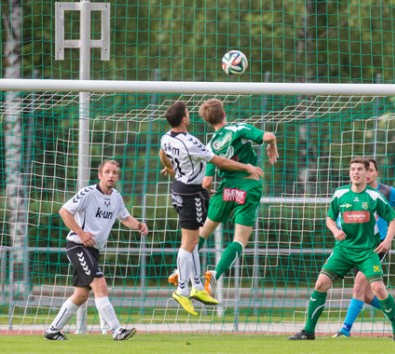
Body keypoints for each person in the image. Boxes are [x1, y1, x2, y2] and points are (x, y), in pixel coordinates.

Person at [160, 101, 264, 316]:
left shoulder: (167, 138)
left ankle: (196, 286)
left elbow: (163, 153)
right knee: (194, 242)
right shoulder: (195, 143)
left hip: (189, 189)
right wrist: (247, 166)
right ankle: (186, 286)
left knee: (198, 238)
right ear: (185, 119)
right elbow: (221, 162)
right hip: (197, 191)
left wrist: (171, 168)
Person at [289, 157, 395, 341]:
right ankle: (308, 332)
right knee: (320, 284)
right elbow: (329, 218)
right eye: (353, 169)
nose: (356, 172)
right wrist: (335, 230)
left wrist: (388, 240)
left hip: (368, 252)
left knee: (378, 289)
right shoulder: (340, 194)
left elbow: (394, 222)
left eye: (360, 169)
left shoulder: (375, 197)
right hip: (343, 251)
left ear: (367, 173)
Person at [44, 160, 149, 341]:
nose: (111, 175)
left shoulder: (116, 197)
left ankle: (52, 330)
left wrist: (139, 225)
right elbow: (64, 211)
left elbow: (124, 217)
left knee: (82, 294)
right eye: (107, 172)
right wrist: (81, 232)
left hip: (93, 250)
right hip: (78, 245)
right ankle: (116, 330)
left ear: (117, 176)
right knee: (99, 283)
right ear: (100, 175)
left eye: (114, 172)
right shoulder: (88, 193)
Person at [333, 157, 395, 337]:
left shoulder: (386, 192)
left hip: (377, 246)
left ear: (375, 173)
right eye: (365, 170)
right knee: (366, 294)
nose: (368, 174)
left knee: (358, 286)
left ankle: (344, 330)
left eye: (371, 170)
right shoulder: (350, 194)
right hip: (354, 246)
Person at [195, 98, 278, 295]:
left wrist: (210, 192)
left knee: (201, 233)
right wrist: (272, 144)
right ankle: (215, 274)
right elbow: (268, 136)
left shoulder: (210, 146)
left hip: (225, 189)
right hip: (248, 186)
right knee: (240, 240)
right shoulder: (238, 128)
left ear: (208, 121)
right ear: (223, 113)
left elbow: (206, 182)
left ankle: (180, 270)